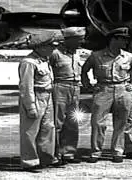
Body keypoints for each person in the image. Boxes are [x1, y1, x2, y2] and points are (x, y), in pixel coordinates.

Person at [81, 27, 132, 163]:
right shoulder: (96, 56)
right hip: (104, 89)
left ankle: (117, 151)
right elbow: (84, 70)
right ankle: (96, 151)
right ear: (113, 39)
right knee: (98, 122)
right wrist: (88, 86)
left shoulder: (129, 57)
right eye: (122, 39)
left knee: (121, 123)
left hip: (123, 89)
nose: (126, 42)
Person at [18, 32, 62, 172]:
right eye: (50, 46)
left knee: (48, 128)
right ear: (41, 47)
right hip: (36, 97)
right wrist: (30, 106)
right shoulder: (28, 63)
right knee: (30, 131)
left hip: (47, 96)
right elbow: (26, 86)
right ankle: (29, 161)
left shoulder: (44, 60)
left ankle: (46, 158)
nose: (53, 49)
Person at [49, 27, 86, 164]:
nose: (81, 42)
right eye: (79, 40)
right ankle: (55, 153)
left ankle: (68, 153)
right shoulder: (55, 53)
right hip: (60, 86)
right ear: (69, 39)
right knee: (58, 122)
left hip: (75, 88)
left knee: (73, 121)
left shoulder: (76, 53)